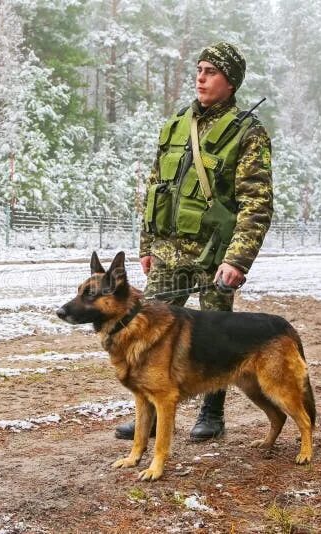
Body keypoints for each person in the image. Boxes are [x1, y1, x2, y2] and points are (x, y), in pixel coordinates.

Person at [115, 42, 274, 441]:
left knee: (214, 339)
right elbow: (156, 188)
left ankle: (212, 414)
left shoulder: (248, 133)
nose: (201, 77)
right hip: (167, 253)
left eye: (211, 71)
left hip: (213, 256)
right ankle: (149, 416)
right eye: (199, 69)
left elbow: (256, 202)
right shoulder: (176, 125)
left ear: (231, 82)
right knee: (150, 335)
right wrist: (147, 245)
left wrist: (238, 260)